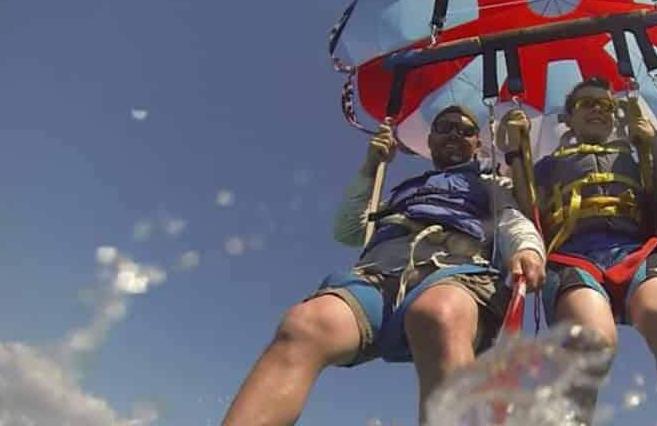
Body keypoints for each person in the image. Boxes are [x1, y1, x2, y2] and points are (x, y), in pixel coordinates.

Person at [223, 105, 546, 426]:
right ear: (430, 139)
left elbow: (513, 217)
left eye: (465, 131)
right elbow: (349, 231)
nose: (454, 135)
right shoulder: (402, 190)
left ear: (478, 144)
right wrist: (370, 166)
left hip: (456, 271)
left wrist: (527, 249)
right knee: (306, 323)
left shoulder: (491, 184)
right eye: (445, 127)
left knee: (437, 315)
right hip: (380, 274)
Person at [500, 77, 657, 425]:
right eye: (588, 104)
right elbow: (528, 207)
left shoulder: (636, 153)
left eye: (606, 105)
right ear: (568, 118)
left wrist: (656, 145)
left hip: (635, 251)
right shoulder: (549, 165)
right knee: (591, 342)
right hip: (574, 257)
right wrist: (514, 150)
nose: (598, 110)